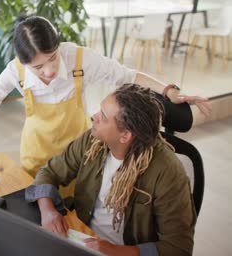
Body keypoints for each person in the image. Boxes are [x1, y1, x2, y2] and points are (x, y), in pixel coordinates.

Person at [0, 15, 211, 177]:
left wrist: (168, 90)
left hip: (81, 155)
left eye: (53, 57)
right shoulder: (15, 71)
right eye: (38, 67)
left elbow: (127, 75)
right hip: (36, 159)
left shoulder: (78, 58)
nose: (50, 70)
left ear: (58, 46)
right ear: (24, 63)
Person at [27, 83, 196, 256]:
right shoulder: (93, 141)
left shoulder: (168, 172)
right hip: (84, 237)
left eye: (104, 117)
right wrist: (47, 210)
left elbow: (179, 247)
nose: (94, 117)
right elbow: (49, 172)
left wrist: (116, 251)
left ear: (125, 135)